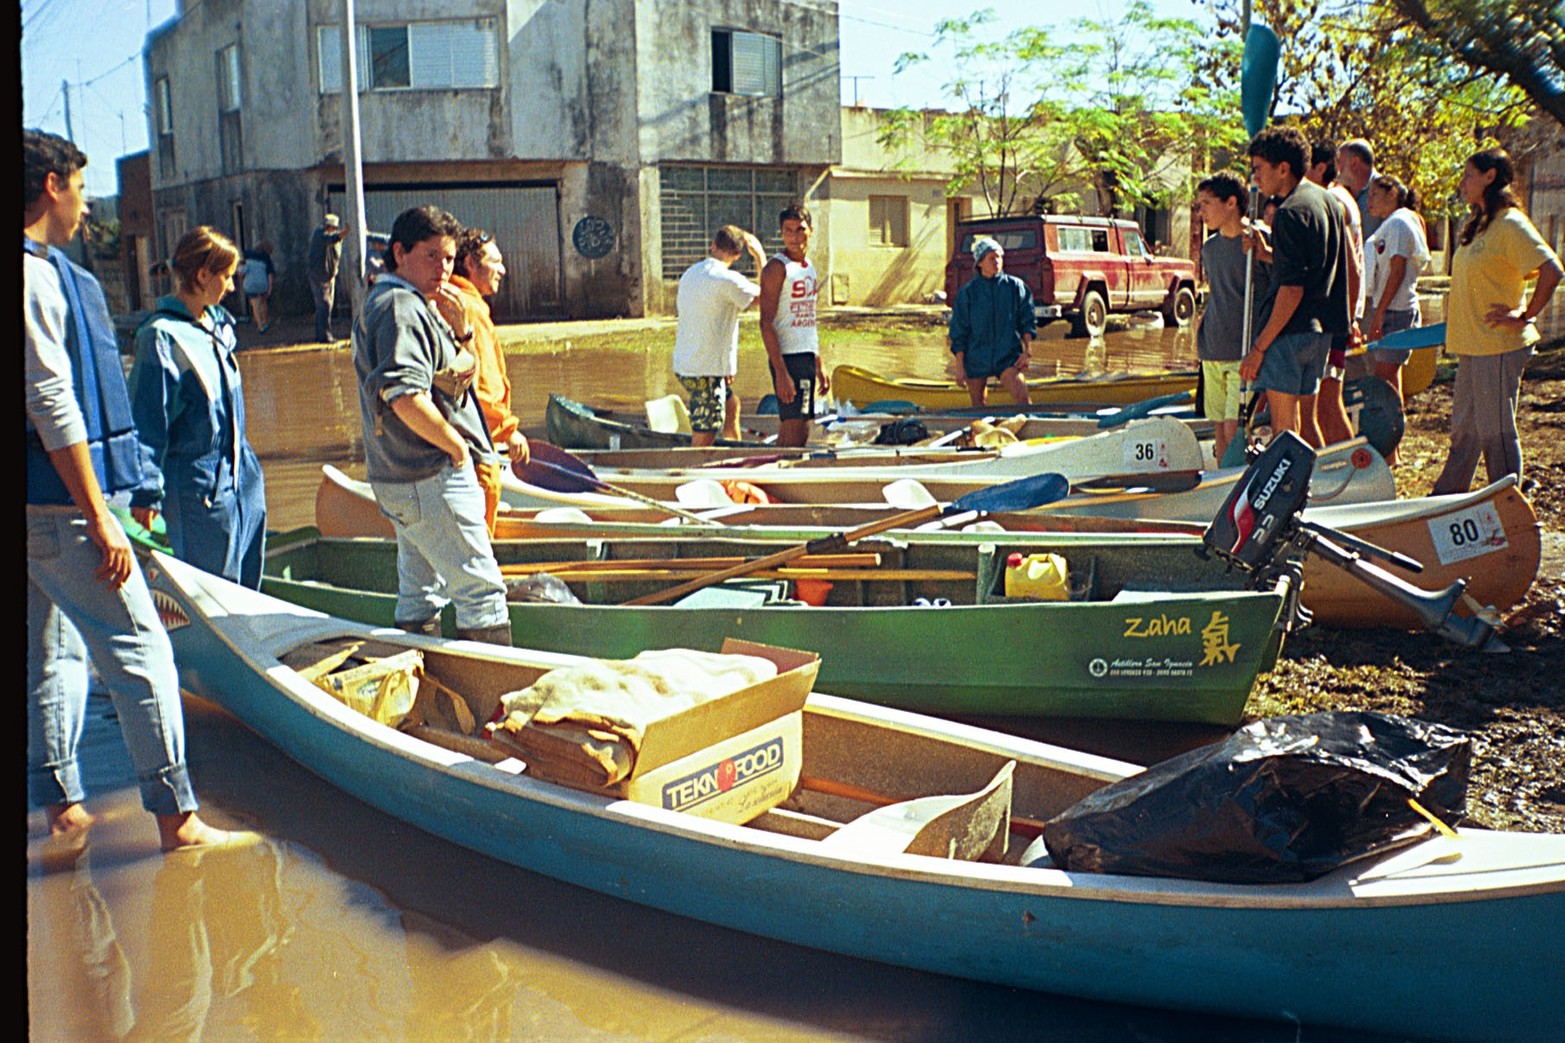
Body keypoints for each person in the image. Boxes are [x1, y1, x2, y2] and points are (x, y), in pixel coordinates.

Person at [24, 128, 236, 853]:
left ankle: (62, 809)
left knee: (48, 655)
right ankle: (180, 820)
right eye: (80, 188)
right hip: (59, 507)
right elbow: (51, 401)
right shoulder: (32, 277)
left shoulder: (45, 271)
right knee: (142, 649)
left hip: (32, 511)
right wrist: (100, 514)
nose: (86, 206)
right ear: (51, 186)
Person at [352, 205, 511, 644]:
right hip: (429, 473)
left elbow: (450, 375)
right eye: (431, 257)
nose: (443, 268)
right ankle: (493, 702)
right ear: (399, 253)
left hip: (402, 475)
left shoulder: (400, 302)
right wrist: (457, 448)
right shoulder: (401, 307)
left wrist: (461, 335)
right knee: (483, 594)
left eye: (448, 258)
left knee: (421, 593)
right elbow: (404, 395)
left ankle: (423, 682)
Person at [128, 226, 268, 588]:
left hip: (241, 473)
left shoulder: (218, 326)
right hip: (198, 484)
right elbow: (146, 422)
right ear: (202, 275)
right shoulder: (160, 337)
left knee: (248, 580)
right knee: (213, 587)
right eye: (226, 277)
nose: (233, 287)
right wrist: (146, 493)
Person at [1431, 149, 1562, 495]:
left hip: (1498, 345)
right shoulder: (1481, 225)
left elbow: (1552, 271)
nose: (1462, 183)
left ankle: (1509, 508)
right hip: (1471, 346)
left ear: (1490, 176)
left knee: (1496, 434)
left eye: (1468, 175)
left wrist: (1524, 314)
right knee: (1465, 434)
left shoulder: (1511, 223)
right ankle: (1445, 503)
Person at [1241, 126, 1351, 448]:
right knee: (1307, 426)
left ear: (1283, 168)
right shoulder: (1328, 202)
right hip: (1319, 334)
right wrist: (1267, 255)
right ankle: (1322, 487)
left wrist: (1258, 349)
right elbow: (1310, 267)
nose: (1255, 178)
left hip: (1287, 334)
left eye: (1259, 169)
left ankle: (1294, 496)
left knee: (1285, 434)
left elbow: (1292, 289)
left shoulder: (1289, 213)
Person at [433, 227, 531, 534]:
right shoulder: (468, 308)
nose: (503, 270)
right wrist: (507, 430)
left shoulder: (456, 300)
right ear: (471, 265)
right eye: (496, 261)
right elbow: (479, 385)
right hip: (473, 438)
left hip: (455, 437)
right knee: (478, 533)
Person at [1194, 172, 1267, 464]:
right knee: (1219, 429)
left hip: (1244, 350)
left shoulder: (1257, 241)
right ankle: (1224, 484)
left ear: (1231, 203)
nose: (1202, 212)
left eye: (1207, 203)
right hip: (1212, 347)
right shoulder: (1210, 248)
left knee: (1235, 425)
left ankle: (1237, 477)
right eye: (1199, 205)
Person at [672, 225, 767, 447]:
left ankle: (732, 452)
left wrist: (724, 368)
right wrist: (761, 257)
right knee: (705, 432)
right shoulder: (728, 279)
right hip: (704, 371)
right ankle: (696, 471)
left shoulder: (691, 273)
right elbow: (767, 295)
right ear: (738, 255)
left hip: (686, 364)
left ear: (713, 245)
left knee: (731, 404)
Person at [1362, 173, 1432, 462]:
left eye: (1375, 195)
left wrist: (1378, 315)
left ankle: (1390, 449)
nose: (1369, 203)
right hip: (1392, 308)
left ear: (1392, 193)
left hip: (1395, 310)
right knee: (1390, 380)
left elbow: (1397, 269)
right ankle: (1394, 450)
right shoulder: (1396, 223)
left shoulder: (1401, 222)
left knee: (1385, 383)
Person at [1306, 144, 1365, 445]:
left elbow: (1351, 267)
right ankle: (1346, 471)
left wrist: (1349, 319)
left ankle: (1352, 473)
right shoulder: (1344, 199)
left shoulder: (1332, 201)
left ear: (1319, 168)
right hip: (1338, 316)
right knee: (1326, 404)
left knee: (1324, 404)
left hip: (1333, 320)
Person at [759, 203, 828, 447]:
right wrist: (781, 372)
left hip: (805, 355)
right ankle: (780, 472)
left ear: (810, 230)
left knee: (803, 424)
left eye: (799, 230)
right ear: (781, 233)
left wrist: (818, 363)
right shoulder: (777, 268)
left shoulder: (809, 267)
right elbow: (765, 322)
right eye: (788, 231)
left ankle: (789, 468)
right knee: (792, 425)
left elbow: (809, 318)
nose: (794, 237)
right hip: (787, 358)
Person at [948, 236, 1037, 408]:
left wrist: (1027, 352)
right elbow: (959, 332)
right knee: (978, 405)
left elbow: (1027, 320)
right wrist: (959, 368)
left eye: (999, 257)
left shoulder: (1016, 287)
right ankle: (984, 433)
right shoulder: (968, 293)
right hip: (976, 357)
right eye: (991, 258)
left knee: (1023, 399)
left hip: (1007, 355)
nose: (997, 261)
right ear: (980, 263)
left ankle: (1030, 428)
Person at [307, 213, 344, 342]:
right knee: (325, 305)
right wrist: (342, 235)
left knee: (325, 306)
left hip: (328, 276)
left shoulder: (328, 237)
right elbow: (332, 239)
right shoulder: (320, 234)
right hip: (319, 276)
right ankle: (325, 336)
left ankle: (321, 335)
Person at [1336, 138, 1382, 241]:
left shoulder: (1385, 192)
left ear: (1354, 163)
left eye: (1339, 162)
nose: (1336, 168)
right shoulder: (1339, 192)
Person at [241, 239, 275, 333]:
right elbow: (270, 275)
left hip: (250, 283)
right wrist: (270, 288)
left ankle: (260, 326)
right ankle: (265, 321)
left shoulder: (247, 255)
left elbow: (242, 268)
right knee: (263, 302)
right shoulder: (267, 259)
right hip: (262, 283)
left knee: (255, 305)